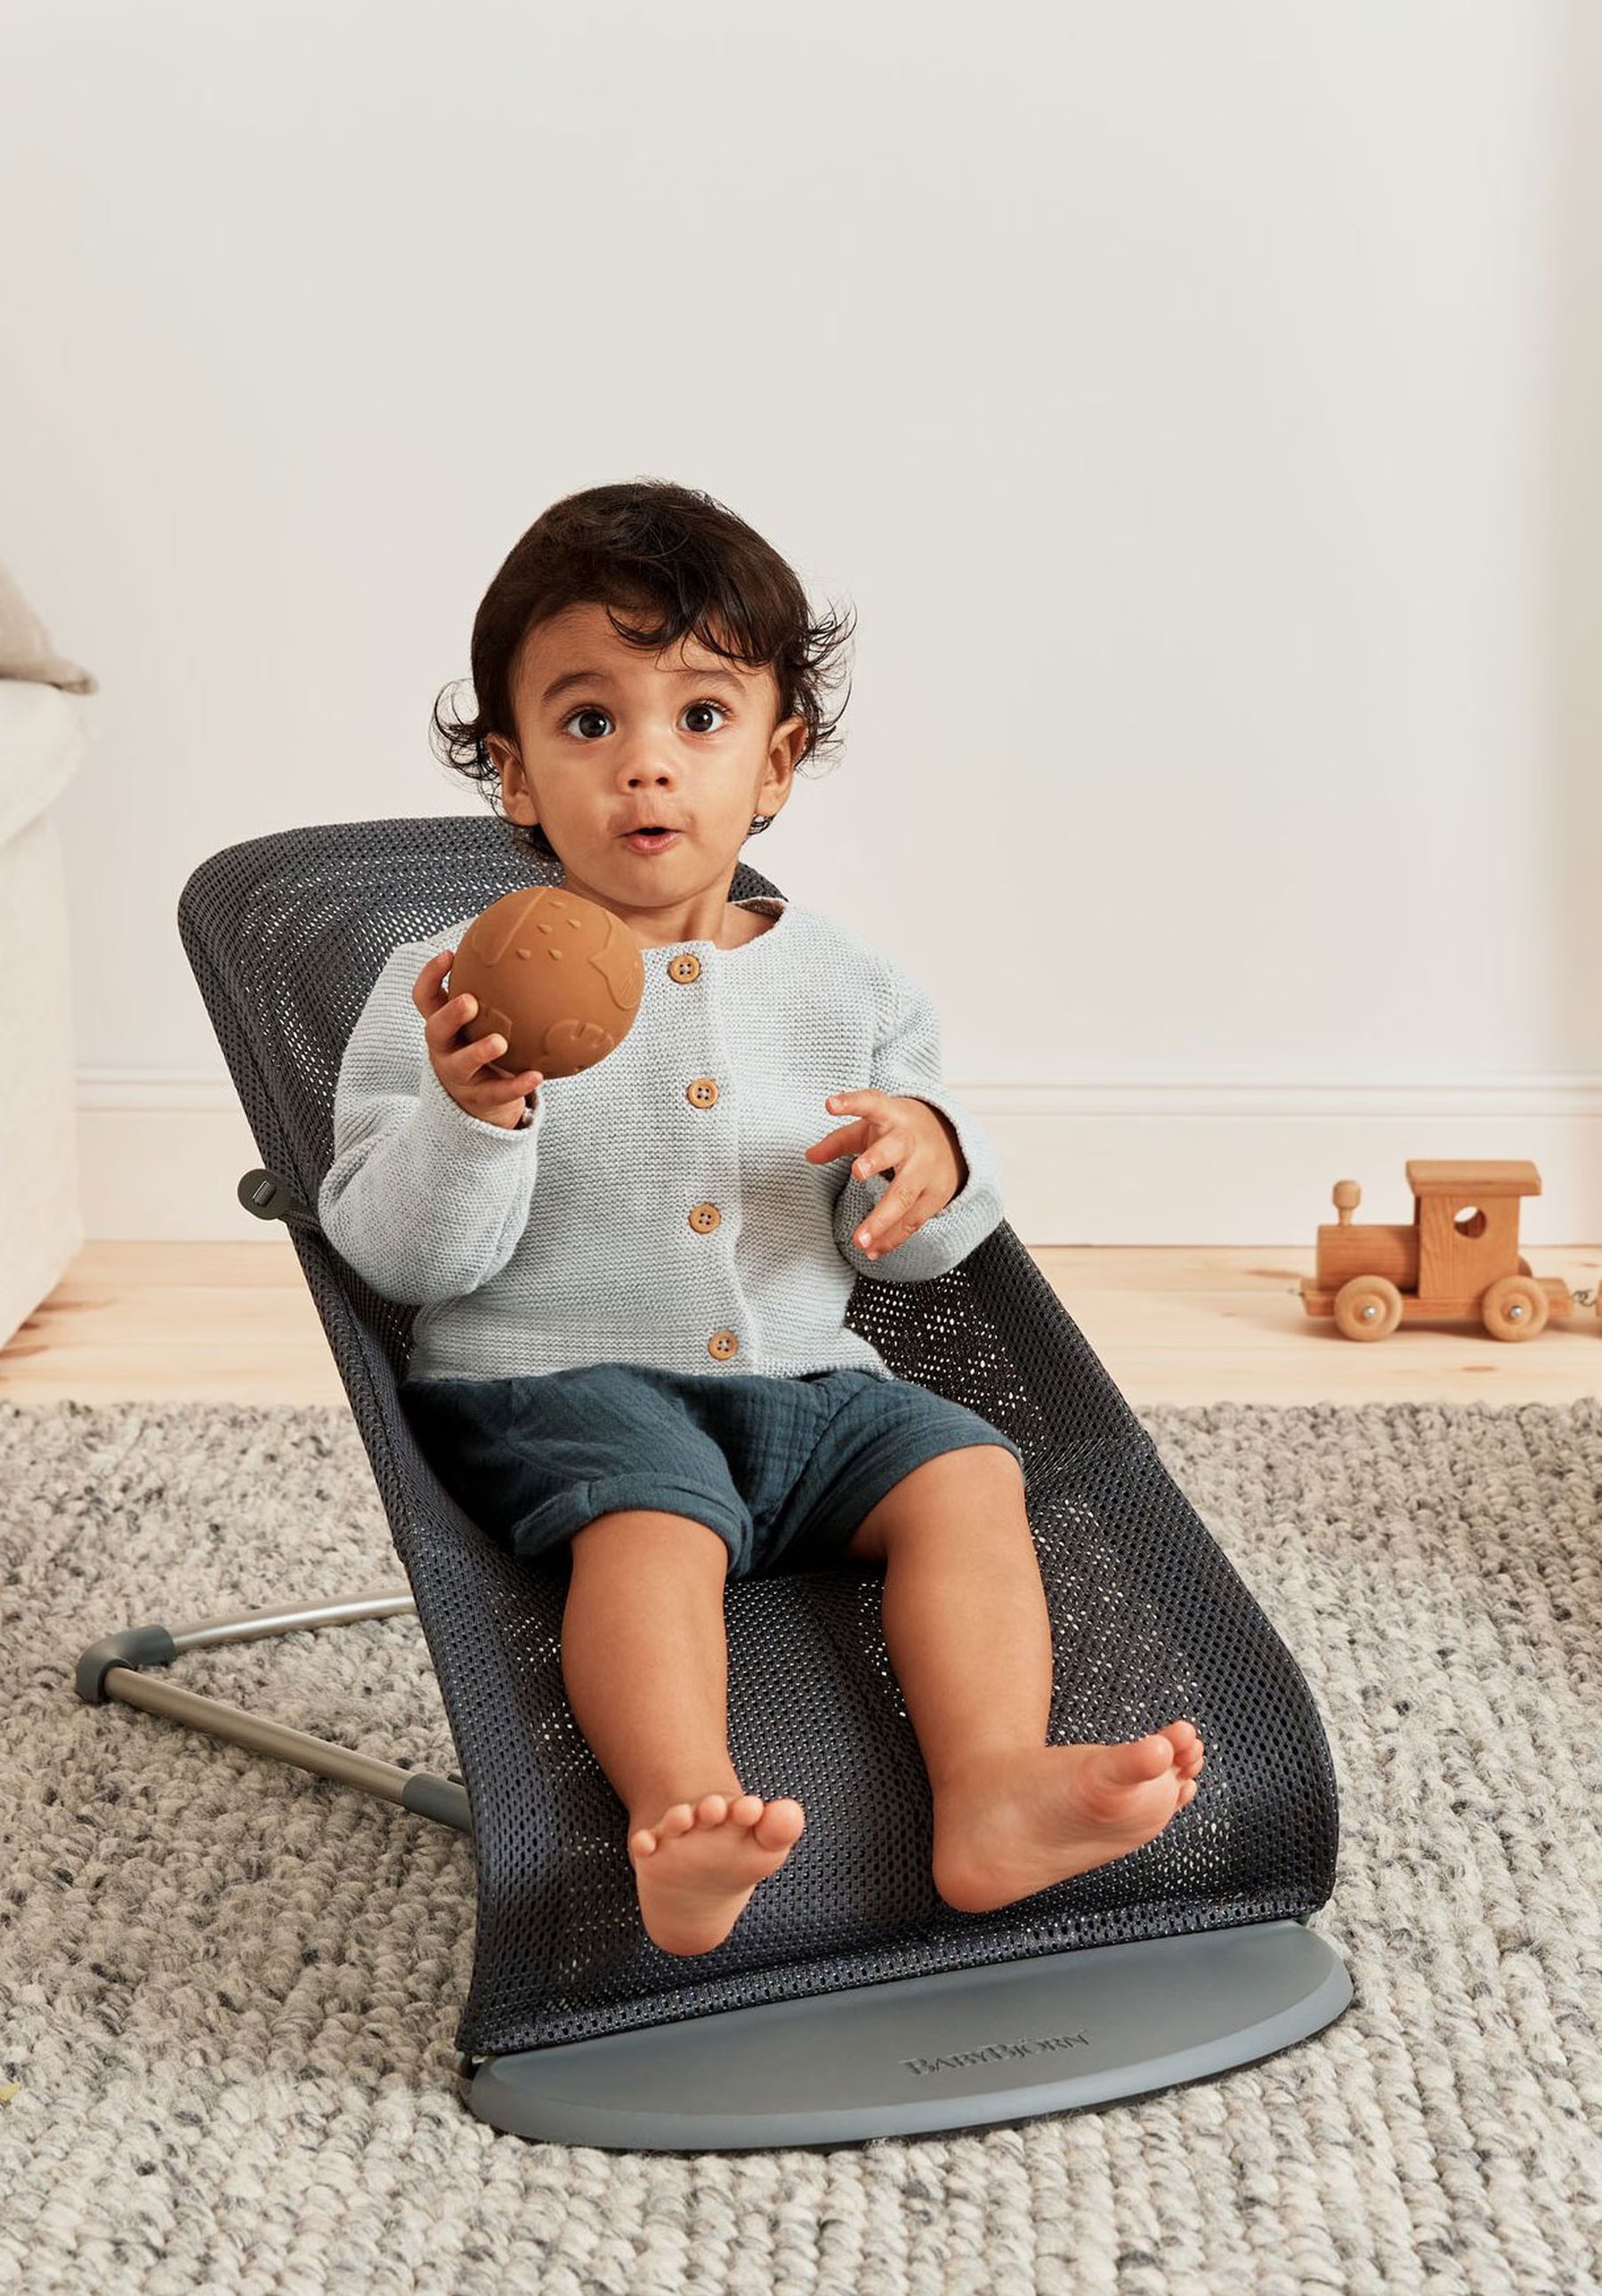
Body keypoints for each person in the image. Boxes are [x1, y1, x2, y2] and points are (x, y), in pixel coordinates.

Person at [319, 478, 1203, 1959]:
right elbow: (401, 1259)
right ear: (515, 776)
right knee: (653, 1519)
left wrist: (928, 1155)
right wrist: (474, 1114)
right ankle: (684, 1817)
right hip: (557, 1389)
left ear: (777, 761)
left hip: (805, 1390)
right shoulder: (448, 987)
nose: (647, 767)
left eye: (702, 718)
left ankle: (992, 1790)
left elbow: (920, 1248)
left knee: (966, 1472)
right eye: (588, 722)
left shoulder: (854, 988)